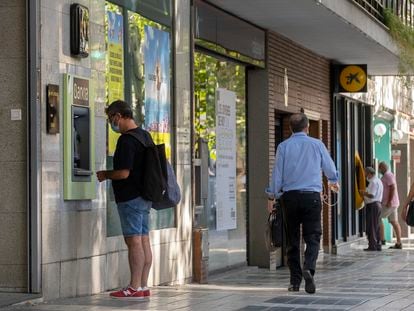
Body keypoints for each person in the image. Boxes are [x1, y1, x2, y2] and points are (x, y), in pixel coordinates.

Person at [267, 113, 339, 294]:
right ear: (307, 127)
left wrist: (272, 195)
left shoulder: (283, 147)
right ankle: (309, 267)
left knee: (292, 240)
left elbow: (277, 174)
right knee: (313, 237)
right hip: (312, 198)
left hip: (289, 198)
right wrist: (333, 180)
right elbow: (330, 169)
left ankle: (294, 282)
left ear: (291, 128)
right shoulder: (317, 144)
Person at [97, 100, 152, 300]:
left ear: (118, 116)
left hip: (130, 198)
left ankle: (133, 287)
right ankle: (143, 285)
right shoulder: (145, 136)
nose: (112, 123)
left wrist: (105, 174)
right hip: (145, 197)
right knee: (144, 240)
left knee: (134, 242)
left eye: (111, 119)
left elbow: (123, 173)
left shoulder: (127, 140)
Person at [378, 161, 402, 249]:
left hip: (389, 203)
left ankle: (382, 239)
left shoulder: (387, 175)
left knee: (378, 217)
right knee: (394, 222)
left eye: (379, 168)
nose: (379, 170)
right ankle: (399, 243)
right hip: (393, 203)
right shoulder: (389, 175)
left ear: (383, 168)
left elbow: (392, 188)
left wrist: (389, 201)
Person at [360, 167, 383, 251]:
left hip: (373, 205)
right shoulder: (379, 181)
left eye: (366, 173)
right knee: (376, 226)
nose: (365, 175)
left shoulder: (373, 182)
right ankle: (378, 244)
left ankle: (372, 246)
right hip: (378, 205)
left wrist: (363, 193)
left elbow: (372, 195)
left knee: (372, 226)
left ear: (370, 173)